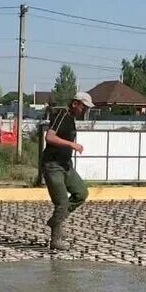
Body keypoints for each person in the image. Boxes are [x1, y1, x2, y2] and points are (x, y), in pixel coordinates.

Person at [41, 92, 91, 250]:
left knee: (81, 193)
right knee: (62, 203)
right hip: (53, 165)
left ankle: (56, 221)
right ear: (75, 104)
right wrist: (71, 145)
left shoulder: (72, 120)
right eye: (84, 107)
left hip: (66, 165)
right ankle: (55, 239)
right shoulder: (61, 115)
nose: (85, 111)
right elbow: (49, 137)